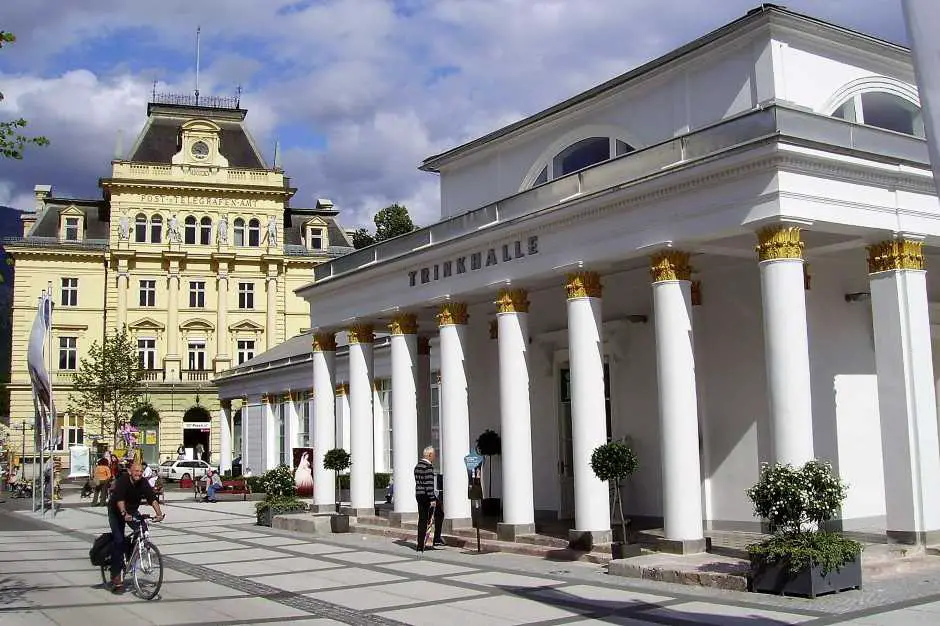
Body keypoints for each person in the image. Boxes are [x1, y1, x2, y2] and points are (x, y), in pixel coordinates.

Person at [108, 462, 165, 593]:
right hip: (116, 511)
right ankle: (116, 576)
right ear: (130, 471)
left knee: (143, 530)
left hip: (132, 511)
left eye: (140, 471)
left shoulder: (143, 482)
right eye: (136, 471)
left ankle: (132, 553)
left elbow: (152, 498)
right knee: (119, 540)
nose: (138, 474)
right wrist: (124, 513)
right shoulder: (123, 481)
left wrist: (159, 513)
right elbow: (120, 499)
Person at [414, 446, 444, 551]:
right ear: (429, 455)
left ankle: (420, 544)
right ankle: (437, 538)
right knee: (439, 513)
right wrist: (432, 499)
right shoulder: (428, 467)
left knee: (422, 519)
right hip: (427, 496)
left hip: (419, 494)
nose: (435, 457)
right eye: (434, 454)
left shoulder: (417, 466)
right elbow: (429, 484)